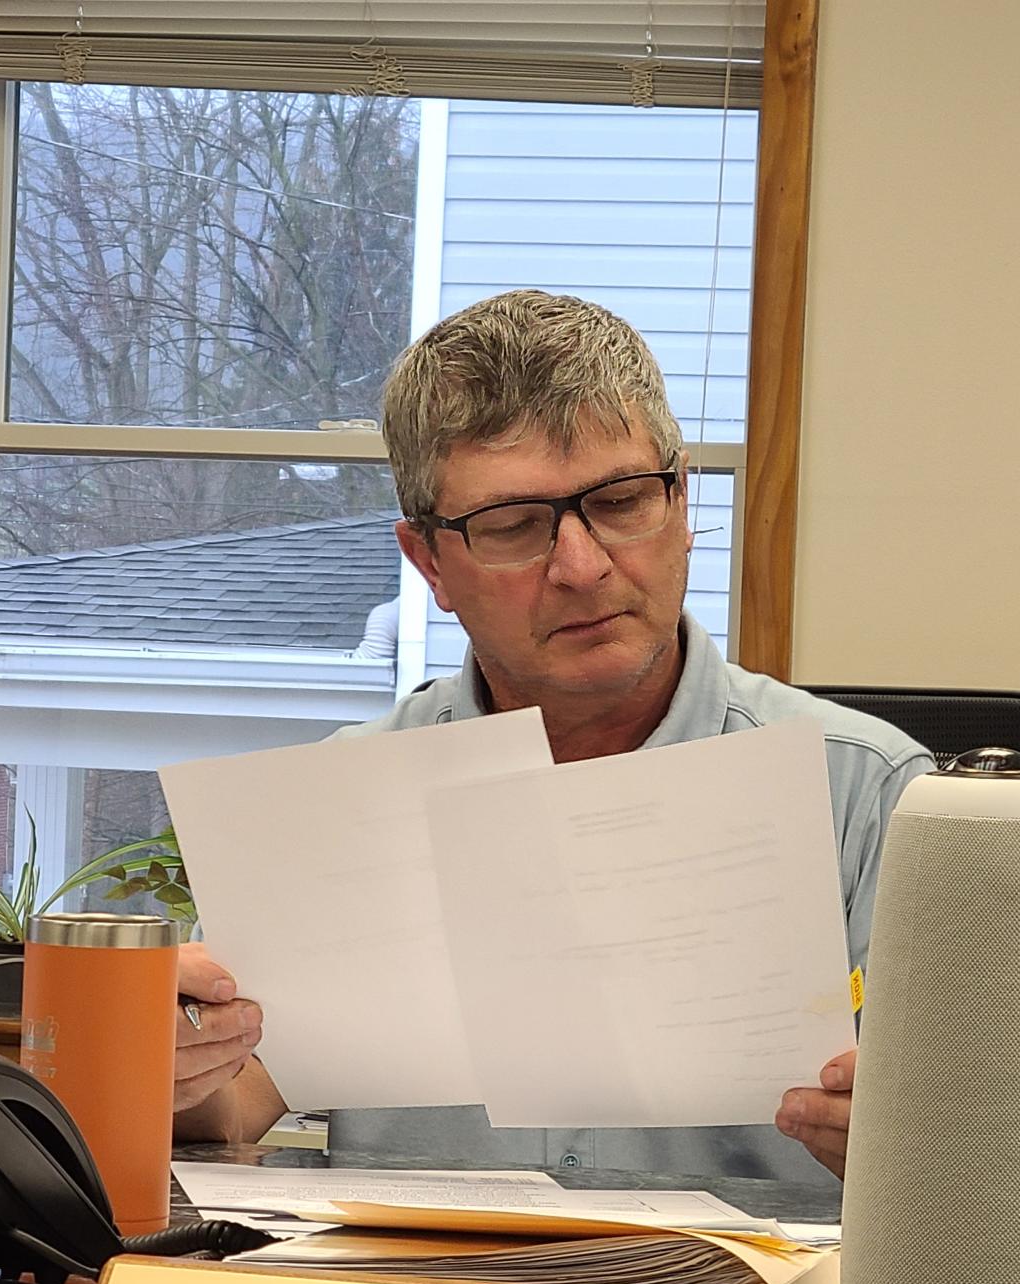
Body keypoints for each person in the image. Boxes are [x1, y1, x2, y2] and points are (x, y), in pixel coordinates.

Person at [171, 290, 934, 1183]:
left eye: (621, 502)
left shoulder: (870, 794)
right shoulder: (345, 796)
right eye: (512, 528)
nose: (582, 567)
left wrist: (918, 1139)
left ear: (681, 503)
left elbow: (978, 1164)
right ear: (429, 564)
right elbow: (234, 1099)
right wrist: (178, 1074)